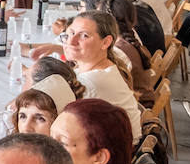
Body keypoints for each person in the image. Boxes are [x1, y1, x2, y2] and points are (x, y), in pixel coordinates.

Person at [61, 12, 143, 140]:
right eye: (71, 33)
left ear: (105, 42)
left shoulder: (92, 83)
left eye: (84, 36)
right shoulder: (103, 68)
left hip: (113, 155)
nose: (71, 41)